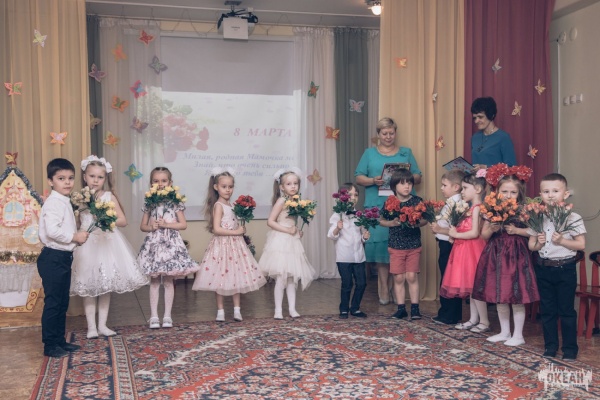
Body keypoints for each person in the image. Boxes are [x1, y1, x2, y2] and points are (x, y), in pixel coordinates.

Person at [71, 156, 149, 339]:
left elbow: (123, 220)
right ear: (85, 176)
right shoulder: (80, 198)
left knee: (106, 285)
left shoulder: (109, 196)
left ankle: (102, 325)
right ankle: (91, 327)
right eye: (92, 176)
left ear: (105, 178)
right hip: (87, 245)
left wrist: (106, 218)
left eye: (100, 177)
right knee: (88, 286)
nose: (95, 180)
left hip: (107, 244)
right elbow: (77, 222)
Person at [355, 117, 421, 306]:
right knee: (381, 248)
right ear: (378, 134)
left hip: (403, 205)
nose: (388, 136)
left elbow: (418, 176)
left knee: (400, 247)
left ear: (395, 133)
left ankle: (395, 287)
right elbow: (358, 177)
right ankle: (384, 287)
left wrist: (406, 177)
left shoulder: (406, 152)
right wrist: (373, 181)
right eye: (384, 133)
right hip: (377, 204)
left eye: (391, 133)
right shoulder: (369, 153)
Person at [472, 166, 539, 346]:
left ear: (519, 193)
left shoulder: (524, 210)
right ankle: (504, 332)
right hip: (496, 254)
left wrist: (517, 230)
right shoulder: (491, 209)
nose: (509, 195)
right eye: (504, 191)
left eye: (513, 192)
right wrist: (492, 228)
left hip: (516, 255)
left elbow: (534, 231)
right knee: (500, 294)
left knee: (516, 295)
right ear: (497, 191)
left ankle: (518, 335)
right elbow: (484, 235)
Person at [192, 168, 267, 322]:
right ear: (216, 187)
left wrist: (240, 229)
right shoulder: (218, 205)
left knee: (236, 275)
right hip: (222, 246)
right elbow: (216, 229)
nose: (228, 190)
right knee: (219, 277)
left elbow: (233, 223)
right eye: (224, 186)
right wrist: (236, 232)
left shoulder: (231, 204)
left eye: (230, 187)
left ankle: (237, 310)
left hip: (235, 246)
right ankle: (220, 311)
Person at [528, 173, 585, 360]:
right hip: (543, 268)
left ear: (565, 194)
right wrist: (539, 243)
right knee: (547, 310)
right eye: (546, 191)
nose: (550, 195)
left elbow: (580, 244)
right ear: (540, 195)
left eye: (555, 191)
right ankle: (550, 346)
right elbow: (532, 246)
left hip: (565, 269)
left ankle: (570, 349)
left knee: (566, 311)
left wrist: (562, 241)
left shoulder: (573, 217)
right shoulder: (537, 217)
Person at [37, 158, 90, 358]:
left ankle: (59, 340)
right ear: (50, 181)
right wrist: (74, 237)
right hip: (53, 258)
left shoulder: (63, 200)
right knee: (53, 302)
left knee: (61, 302)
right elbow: (52, 231)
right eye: (61, 178)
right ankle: (50, 345)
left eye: (70, 178)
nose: (67, 182)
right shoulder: (53, 203)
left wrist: (74, 241)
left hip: (62, 256)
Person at [137, 167, 200, 329]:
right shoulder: (149, 201)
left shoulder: (175, 202)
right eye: (156, 181)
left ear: (170, 183)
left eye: (164, 181)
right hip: (154, 244)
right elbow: (143, 226)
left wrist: (167, 224)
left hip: (171, 244)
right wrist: (151, 227)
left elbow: (183, 224)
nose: (160, 184)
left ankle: (167, 316)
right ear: (151, 183)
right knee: (154, 280)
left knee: (168, 280)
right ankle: (153, 316)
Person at [259, 168, 316, 320]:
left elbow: (292, 222)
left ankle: (292, 309)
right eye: (289, 184)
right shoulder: (282, 201)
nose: (293, 186)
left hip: (292, 242)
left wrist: (297, 230)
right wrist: (288, 230)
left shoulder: (296, 201)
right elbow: (270, 221)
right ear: (282, 187)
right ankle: (278, 310)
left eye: (295, 183)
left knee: (292, 278)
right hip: (280, 242)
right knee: (281, 278)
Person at [440, 172, 489, 333]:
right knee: (470, 288)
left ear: (478, 189)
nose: (462, 191)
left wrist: (456, 235)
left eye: (465, 188)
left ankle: (484, 321)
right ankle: (473, 319)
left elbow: (474, 233)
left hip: (473, 250)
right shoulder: (469, 208)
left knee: (475, 287)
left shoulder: (477, 208)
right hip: (464, 250)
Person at [379, 169, 427, 320]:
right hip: (396, 246)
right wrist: (391, 223)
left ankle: (415, 308)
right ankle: (401, 309)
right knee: (399, 278)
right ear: (394, 186)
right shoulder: (390, 202)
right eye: (402, 183)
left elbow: (425, 219)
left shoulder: (417, 201)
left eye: (409, 183)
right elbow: (381, 220)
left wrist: (416, 223)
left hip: (413, 245)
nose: (407, 186)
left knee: (411, 276)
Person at [327, 183, 370, 319]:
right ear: (342, 197)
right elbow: (331, 235)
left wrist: (365, 237)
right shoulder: (337, 215)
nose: (353, 197)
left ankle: (355, 308)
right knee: (347, 284)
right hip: (344, 256)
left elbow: (361, 235)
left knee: (362, 283)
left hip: (359, 256)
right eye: (350, 194)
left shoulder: (359, 215)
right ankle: (344, 309)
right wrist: (337, 228)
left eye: (356, 195)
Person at [430, 169, 465, 325]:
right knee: (449, 278)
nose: (442, 188)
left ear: (456, 187)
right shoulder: (453, 202)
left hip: (449, 245)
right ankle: (452, 313)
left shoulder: (455, 204)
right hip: (446, 244)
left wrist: (439, 229)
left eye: (444, 185)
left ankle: (448, 314)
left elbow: (456, 229)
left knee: (447, 279)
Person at [470, 97, 517, 169]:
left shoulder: (503, 137)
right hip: (475, 176)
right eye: (475, 118)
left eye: (480, 117)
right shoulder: (475, 137)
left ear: (491, 115)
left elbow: (511, 166)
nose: (476, 121)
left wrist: (487, 167)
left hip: (496, 177)